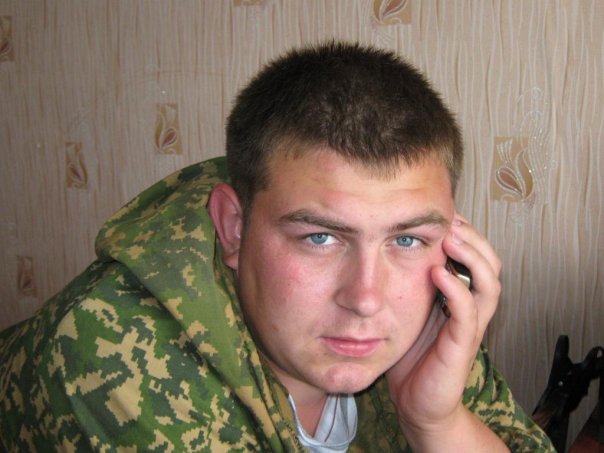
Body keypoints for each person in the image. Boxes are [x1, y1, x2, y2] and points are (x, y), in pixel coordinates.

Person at [0, 42, 553, 452]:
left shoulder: (427, 306)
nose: (366, 299)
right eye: (320, 237)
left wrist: (437, 423)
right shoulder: (110, 351)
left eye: (406, 238)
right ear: (234, 228)